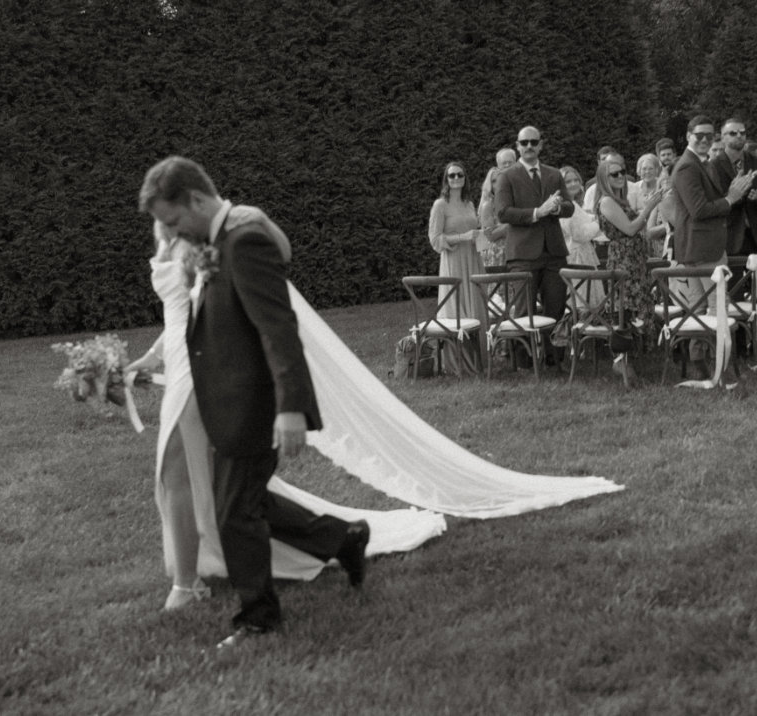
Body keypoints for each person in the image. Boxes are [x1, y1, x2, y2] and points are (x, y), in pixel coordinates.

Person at [125, 222, 443, 611]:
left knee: (183, 471)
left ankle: (192, 585)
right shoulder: (166, 240)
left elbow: (212, 304)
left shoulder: (203, 240)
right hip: (179, 358)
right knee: (219, 484)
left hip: (201, 364)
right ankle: (339, 538)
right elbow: (181, 310)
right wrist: (153, 356)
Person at [139, 156, 372, 647]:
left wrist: (290, 407)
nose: (170, 231)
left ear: (198, 201)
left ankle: (258, 618)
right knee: (244, 501)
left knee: (232, 514)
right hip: (224, 396)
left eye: (173, 219)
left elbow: (278, 328)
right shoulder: (213, 243)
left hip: (254, 400)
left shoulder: (244, 241)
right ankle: (341, 537)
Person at [671, 114, 754, 373]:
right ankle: (721, 366)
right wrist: (731, 198)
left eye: (710, 136)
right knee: (716, 307)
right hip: (702, 249)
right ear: (688, 136)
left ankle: (701, 362)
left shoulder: (700, 163)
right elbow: (698, 210)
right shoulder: (687, 166)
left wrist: (734, 191)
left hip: (699, 247)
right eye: (700, 136)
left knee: (700, 309)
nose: (705, 140)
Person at [496, 125, 574, 364]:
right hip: (522, 254)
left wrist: (557, 207)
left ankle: (554, 359)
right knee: (522, 311)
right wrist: (537, 212)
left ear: (541, 145)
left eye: (533, 142)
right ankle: (523, 362)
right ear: (517, 146)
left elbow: (570, 207)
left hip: (554, 252)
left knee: (556, 308)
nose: (529, 146)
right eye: (524, 143)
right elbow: (503, 213)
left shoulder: (553, 174)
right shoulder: (507, 176)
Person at [594, 155, 662, 384]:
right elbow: (631, 229)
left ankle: (631, 360)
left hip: (634, 260)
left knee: (636, 308)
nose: (621, 176)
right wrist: (649, 207)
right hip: (623, 261)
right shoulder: (606, 201)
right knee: (626, 309)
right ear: (604, 178)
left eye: (622, 171)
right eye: (614, 174)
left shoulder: (620, 201)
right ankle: (621, 361)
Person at [429, 160, 486, 373]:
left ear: (465, 178)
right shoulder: (440, 205)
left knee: (476, 302)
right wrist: (462, 237)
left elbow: (475, 231)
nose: (455, 179)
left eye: (459, 175)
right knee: (457, 304)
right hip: (453, 261)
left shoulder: (469, 203)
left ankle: (479, 359)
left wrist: (481, 238)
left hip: (473, 258)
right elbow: (435, 239)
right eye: (451, 175)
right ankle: (457, 362)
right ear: (446, 179)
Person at [709, 118, 757, 297]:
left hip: (756, 234)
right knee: (734, 293)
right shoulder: (713, 166)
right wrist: (735, 195)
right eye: (733, 133)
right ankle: (737, 325)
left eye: (742, 132)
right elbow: (715, 204)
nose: (739, 135)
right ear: (722, 138)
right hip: (730, 235)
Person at [559, 165, 606, 270]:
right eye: (568, 181)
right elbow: (579, 234)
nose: (574, 184)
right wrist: (599, 222)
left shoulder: (573, 203)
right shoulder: (565, 206)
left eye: (576, 180)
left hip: (582, 253)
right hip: (575, 257)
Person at [633, 153, 669, 257]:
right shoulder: (633, 189)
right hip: (638, 237)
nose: (647, 172)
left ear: (657, 170)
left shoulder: (663, 188)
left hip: (658, 238)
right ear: (639, 170)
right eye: (644, 169)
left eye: (651, 169)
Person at [478, 167, 508, 268]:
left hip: (512, 252)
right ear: (490, 185)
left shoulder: (509, 202)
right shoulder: (488, 205)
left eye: (500, 179)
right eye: (494, 181)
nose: (498, 183)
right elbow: (489, 235)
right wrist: (508, 227)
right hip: (495, 256)